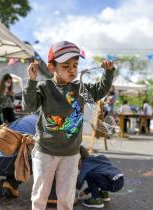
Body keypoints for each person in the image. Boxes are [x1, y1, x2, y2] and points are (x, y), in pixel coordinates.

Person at [22, 41, 115, 210]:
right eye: (65, 66)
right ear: (52, 68)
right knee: (40, 195)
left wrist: (108, 73)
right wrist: (31, 81)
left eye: (75, 65)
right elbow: (29, 107)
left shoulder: (80, 89)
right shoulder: (44, 87)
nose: (72, 69)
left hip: (71, 154)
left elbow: (100, 91)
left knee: (66, 196)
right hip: (45, 152)